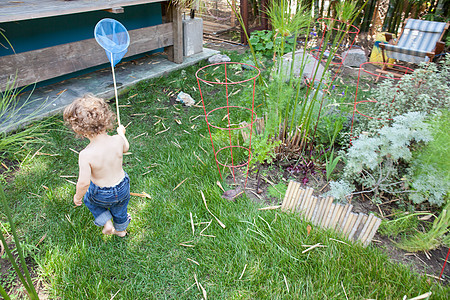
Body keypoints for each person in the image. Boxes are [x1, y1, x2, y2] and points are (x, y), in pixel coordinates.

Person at [63, 94, 131, 237]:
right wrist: (122, 133)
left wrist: (77, 196)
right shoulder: (117, 140)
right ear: (106, 119)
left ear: (79, 130)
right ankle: (121, 231)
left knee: (90, 200)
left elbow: (84, 183)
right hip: (123, 187)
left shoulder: (86, 155)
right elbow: (126, 148)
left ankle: (106, 222)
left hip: (101, 193)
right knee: (120, 209)